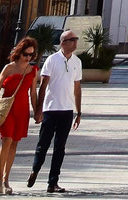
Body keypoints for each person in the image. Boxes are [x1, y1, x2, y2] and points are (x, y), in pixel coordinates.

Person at [0, 37, 40, 196]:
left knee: (14, 144)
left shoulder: (33, 71)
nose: (28, 58)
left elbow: (32, 94)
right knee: (6, 140)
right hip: (7, 109)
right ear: (19, 52)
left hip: (22, 111)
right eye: (25, 54)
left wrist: (37, 112)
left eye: (31, 55)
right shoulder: (9, 68)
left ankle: (6, 179)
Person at [26, 29, 82, 193]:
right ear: (63, 42)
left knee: (60, 148)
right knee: (43, 144)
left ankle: (53, 182)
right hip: (50, 109)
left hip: (66, 110)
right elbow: (43, 86)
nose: (75, 42)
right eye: (72, 39)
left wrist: (78, 112)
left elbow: (77, 88)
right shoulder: (52, 60)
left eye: (76, 39)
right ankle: (35, 169)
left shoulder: (77, 62)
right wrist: (38, 110)